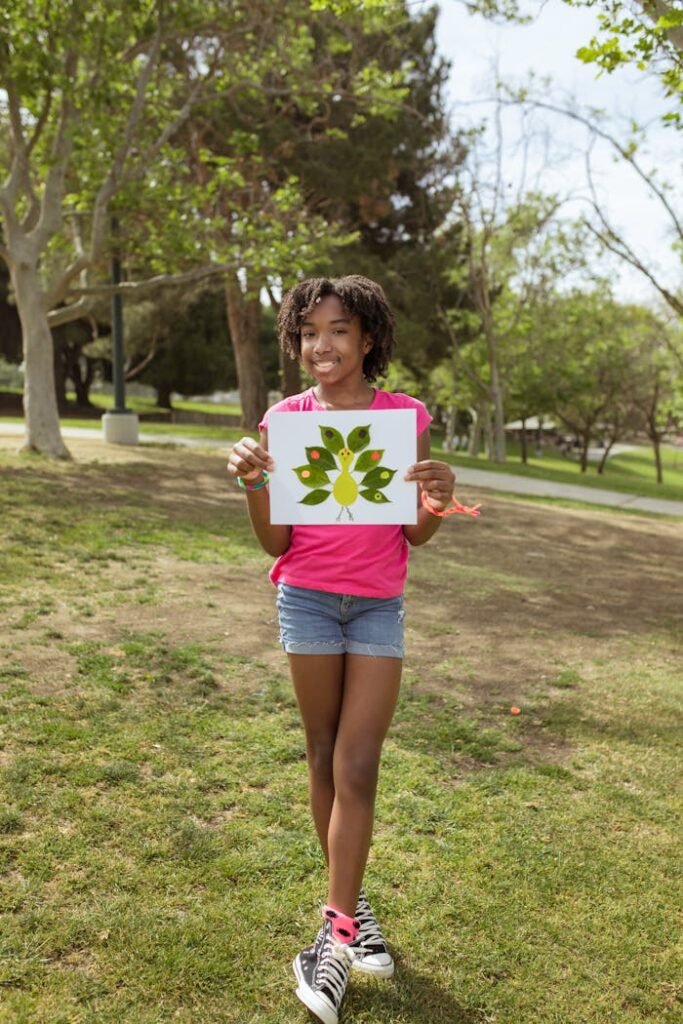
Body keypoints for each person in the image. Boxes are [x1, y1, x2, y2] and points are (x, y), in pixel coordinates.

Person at [227, 275, 476, 1024]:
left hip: (376, 607)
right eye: (307, 333)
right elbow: (274, 540)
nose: (320, 346)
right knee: (321, 750)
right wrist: (250, 483)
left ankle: (332, 938)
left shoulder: (405, 418)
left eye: (337, 330)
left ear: (368, 338)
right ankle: (352, 906)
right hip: (304, 597)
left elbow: (413, 531)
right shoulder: (283, 419)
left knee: (357, 762)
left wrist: (436, 495)